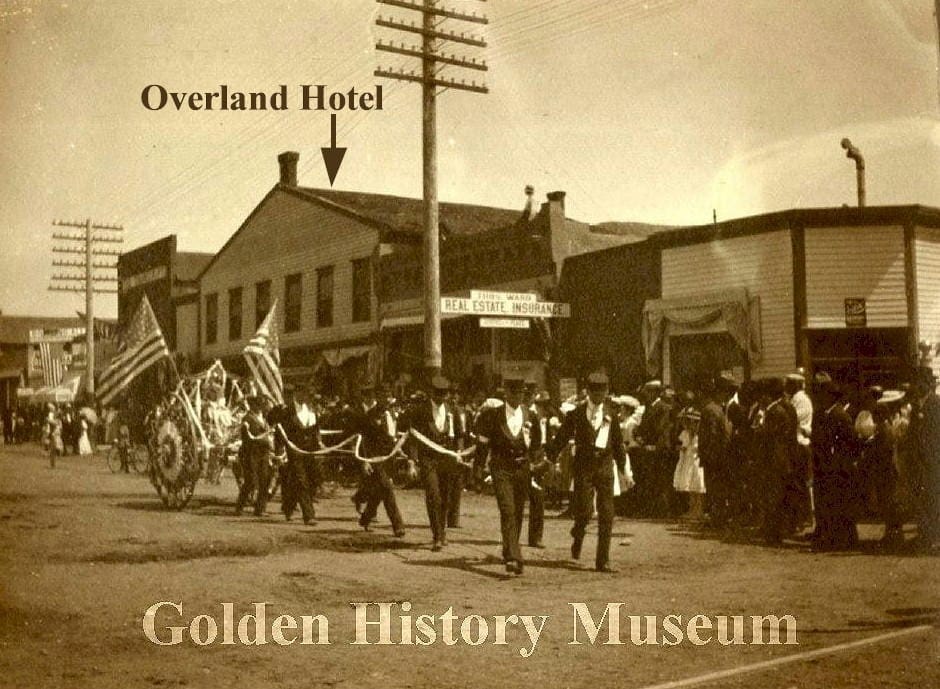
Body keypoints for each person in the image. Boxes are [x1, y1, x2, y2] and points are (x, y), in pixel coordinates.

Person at [547, 372, 627, 573]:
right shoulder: (576, 414)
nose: (599, 395)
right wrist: (550, 457)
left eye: (602, 391)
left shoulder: (611, 414)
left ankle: (603, 560)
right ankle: (578, 531)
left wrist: (624, 468)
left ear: (607, 391)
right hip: (584, 467)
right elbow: (562, 438)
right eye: (595, 391)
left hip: (605, 467)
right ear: (588, 392)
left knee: (607, 514)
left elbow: (618, 443)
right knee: (584, 510)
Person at [475, 378, 542, 574]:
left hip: (523, 468)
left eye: (521, 393)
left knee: (518, 511)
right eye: (513, 393)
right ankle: (514, 556)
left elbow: (536, 444)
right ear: (506, 394)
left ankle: (509, 548)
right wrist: (478, 468)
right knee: (508, 509)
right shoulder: (492, 416)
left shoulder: (531, 416)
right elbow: (482, 445)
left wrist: (538, 467)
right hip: (501, 468)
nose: (517, 396)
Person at [406, 375, 466, 551]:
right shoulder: (419, 411)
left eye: (444, 394)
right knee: (433, 495)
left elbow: (460, 435)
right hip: (428, 459)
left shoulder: (452, 410)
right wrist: (412, 461)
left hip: (447, 459)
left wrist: (460, 453)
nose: (441, 397)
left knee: (445, 498)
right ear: (431, 392)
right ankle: (437, 535)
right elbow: (413, 438)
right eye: (438, 394)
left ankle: (442, 531)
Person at [346, 380, 406, 537]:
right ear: (377, 397)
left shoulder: (393, 414)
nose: (387, 399)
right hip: (375, 459)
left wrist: (400, 452)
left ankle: (366, 517)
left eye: (389, 395)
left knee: (379, 492)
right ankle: (398, 525)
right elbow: (362, 440)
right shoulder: (369, 416)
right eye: (383, 396)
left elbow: (394, 436)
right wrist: (364, 461)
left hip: (390, 459)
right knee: (387, 488)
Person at [811, 374, 859, 551]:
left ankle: (844, 540)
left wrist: (840, 458)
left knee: (840, 505)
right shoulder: (824, 414)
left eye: (823, 394)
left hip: (838, 468)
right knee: (829, 504)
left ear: (831, 396)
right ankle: (831, 537)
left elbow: (851, 441)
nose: (820, 398)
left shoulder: (840, 416)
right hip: (825, 466)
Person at [276, 385, 322, 525]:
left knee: (313, 481)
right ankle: (309, 515)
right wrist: (280, 451)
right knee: (301, 481)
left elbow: (316, 430)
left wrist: (319, 443)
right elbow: (280, 432)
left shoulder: (312, 410)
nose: (307, 396)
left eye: (308, 394)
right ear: (297, 394)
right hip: (294, 452)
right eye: (304, 393)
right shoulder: (287, 411)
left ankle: (288, 506)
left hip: (310, 452)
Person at [909, 366, 940, 551]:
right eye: (916, 383)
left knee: (934, 498)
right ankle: (925, 535)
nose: (917, 386)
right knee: (922, 499)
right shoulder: (916, 406)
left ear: (928, 384)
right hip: (919, 461)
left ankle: (935, 537)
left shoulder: (935, 405)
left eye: (920, 383)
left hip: (933, 461)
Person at [699, 378, 732, 529]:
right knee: (717, 488)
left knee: (715, 487)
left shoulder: (714, 409)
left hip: (716, 456)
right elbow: (715, 435)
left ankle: (717, 517)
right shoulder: (715, 410)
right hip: (717, 456)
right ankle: (718, 517)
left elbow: (714, 435)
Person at [236, 395, 275, 517]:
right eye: (258, 405)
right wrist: (264, 440)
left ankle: (260, 509)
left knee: (264, 480)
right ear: (252, 405)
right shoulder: (247, 419)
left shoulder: (264, 418)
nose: (260, 408)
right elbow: (247, 437)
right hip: (250, 453)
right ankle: (240, 506)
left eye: (261, 405)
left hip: (263, 453)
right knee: (251, 481)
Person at [673, 405, 705, 521]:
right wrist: (681, 448)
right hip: (688, 460)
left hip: (696, 461)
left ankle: (699, 510)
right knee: (690, 484)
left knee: (698, 485)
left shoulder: (700, 435)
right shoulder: (685, 433)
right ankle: (692, 510)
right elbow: (683, 445)